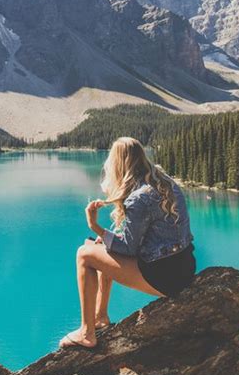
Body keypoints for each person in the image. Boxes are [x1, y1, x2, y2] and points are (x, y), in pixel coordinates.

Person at [60, 137, 196, 349]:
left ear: (119, 164)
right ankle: (100, 317)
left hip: (163, 277)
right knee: (99, 247)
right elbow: (139, 237)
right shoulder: (165, 182)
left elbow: (128, 248)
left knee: (84, 254)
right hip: (185, 268)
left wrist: (95, 227)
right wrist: (106, 239)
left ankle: (87, 333)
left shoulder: (138, 198)